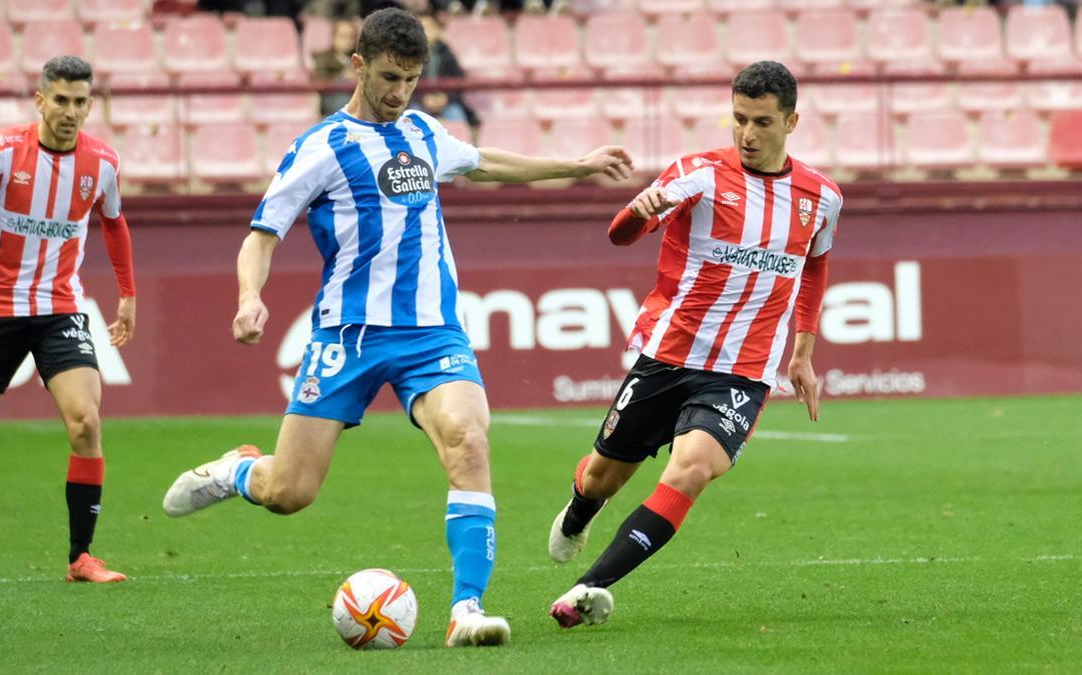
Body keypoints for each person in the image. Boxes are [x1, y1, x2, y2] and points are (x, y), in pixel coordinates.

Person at [161, 7, 632, 647]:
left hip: (431, 333)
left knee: (468, 441)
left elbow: (482, 162)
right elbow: (261, 234)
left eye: (410, 79)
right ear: (357, 65)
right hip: (346, 336)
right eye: (388, 77)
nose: (399, 92)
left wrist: (573, 166)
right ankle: (238, 472)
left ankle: (466, 609)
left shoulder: (421, 130)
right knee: (289, 493)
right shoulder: (321, 146)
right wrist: (249, 297)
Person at [545, 60, 843, 628]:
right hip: (669, 353)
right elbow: (620, 235)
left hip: (743, 371)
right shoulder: (697, 173)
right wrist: (638, 212)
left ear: (791, 121)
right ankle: (582, 508)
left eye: (761, 122)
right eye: (738, 120)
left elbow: (815, 268)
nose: (747, 134)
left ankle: (587, 588)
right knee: (603, 477)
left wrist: (803, 351)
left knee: (692, 470)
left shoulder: (821, 197)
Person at [0, 56, 136, 586]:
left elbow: (115, 224)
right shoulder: (2, 150)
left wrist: (127, 294)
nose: (70, 112)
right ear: (40, 100)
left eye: (81, 102)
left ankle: (82, 558)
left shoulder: (103, 162)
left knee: (86, 421)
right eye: (60, 100)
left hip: (61, 307)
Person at [412, 13, 479, 129]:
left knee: (456, 115)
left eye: (429, 28)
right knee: (411, 118)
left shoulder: (447, 53)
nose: (425, 33)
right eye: (420, 29)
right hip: (419, 102)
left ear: (438, 30)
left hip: (447, 102)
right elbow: (405, 86)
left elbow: (459, 81)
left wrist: (446, 97)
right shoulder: (409, 56)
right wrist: (423, 99)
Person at [312, 19, 359, 116]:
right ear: (333, 38)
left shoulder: (361, 59)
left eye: (351, 37)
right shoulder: (323, 58)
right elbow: (320, 82)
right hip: (331, 99)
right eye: (343, 37)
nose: (347, 41)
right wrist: (343, 76)